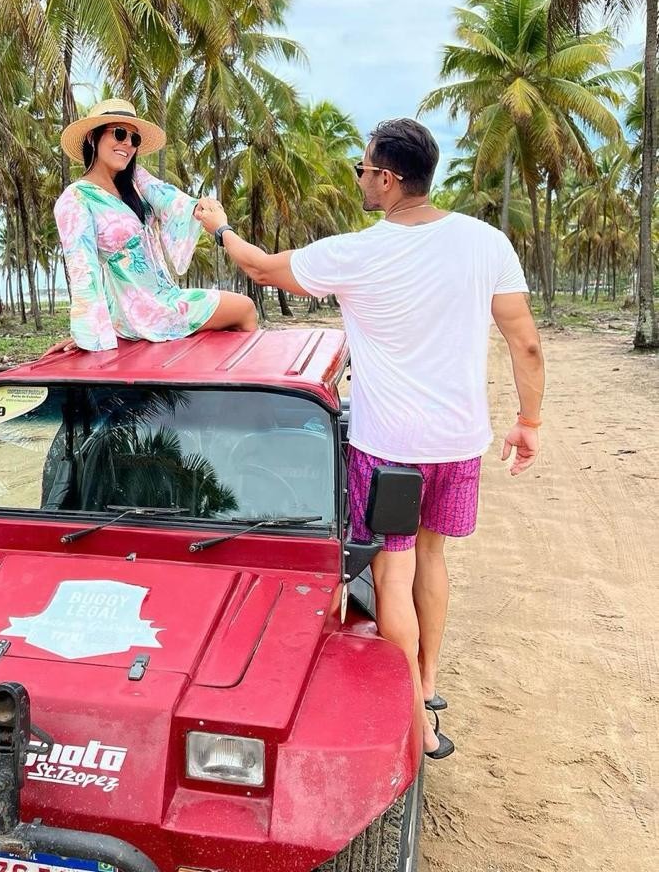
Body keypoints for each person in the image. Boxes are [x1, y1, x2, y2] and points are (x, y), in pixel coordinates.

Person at [193, 118, 545, 760]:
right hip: (458, 441)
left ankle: (414, 716)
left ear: (386, 178)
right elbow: (525, 341)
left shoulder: (356, 253)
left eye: (362, 170)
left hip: (389, 447)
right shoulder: (486, 241)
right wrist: (530, 422)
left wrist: (219, 226)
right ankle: (429, 684)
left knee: (392, 570)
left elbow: (258, 268)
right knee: (433, 558)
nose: (358, 179)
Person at [47, 98, 256, 353]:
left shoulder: (136, 181)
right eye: (119, 133)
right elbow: (82, 269)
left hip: (166, 296)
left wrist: (199, 207)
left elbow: (170, 199)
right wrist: (89, 334)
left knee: (242, 312)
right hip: (138, 311)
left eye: (134, 139)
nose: (128, 144)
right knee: (245, 308)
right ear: (92, 137)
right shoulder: (76, 198)